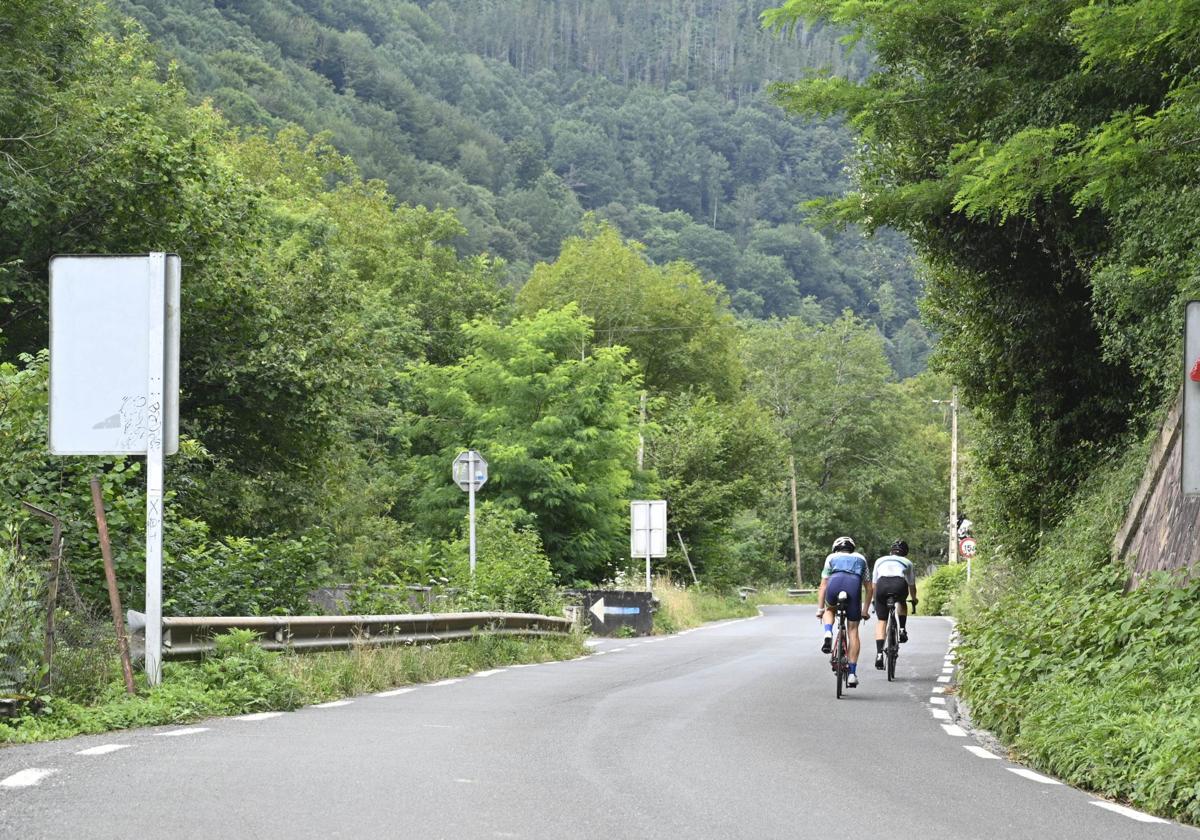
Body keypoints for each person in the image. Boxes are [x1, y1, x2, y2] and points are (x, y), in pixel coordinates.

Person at [816, 536, 871, 688]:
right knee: (853, 630)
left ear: (836, 548)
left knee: (830, 609)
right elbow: (869, 588)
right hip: (853, 585)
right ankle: (852, 674)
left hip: (835, 582)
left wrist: (820, 609)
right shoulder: (861, 559)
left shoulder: (831, 558)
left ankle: (828, 632)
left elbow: (823, 586)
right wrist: (865, 610)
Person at [872, 539, 918, 670]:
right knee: (902, 601)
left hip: (881, 585)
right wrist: (914, 599)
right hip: (899, 585)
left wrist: (874, 600)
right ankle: (902, 629)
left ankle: (880, 654)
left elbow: (874, 584)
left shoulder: (879, 560)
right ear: (905, 552)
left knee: (882, 621)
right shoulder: (907, 562)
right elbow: (911, 585)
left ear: (891, 551)